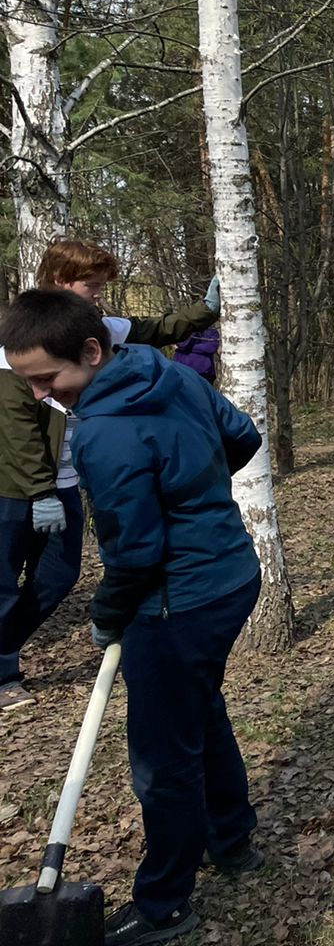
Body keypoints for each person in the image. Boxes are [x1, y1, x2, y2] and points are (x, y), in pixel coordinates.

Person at [0, 289, 263, 946]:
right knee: (199, 710)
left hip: (177, 600)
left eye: (47, 379)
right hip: (232, 576)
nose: (40, 395)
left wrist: (108, 612)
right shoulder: (168, 371)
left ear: (92, 351)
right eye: (28, 382)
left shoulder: (102, 433)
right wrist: (194, 492)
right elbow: (243, 436)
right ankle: (232, 841)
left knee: (163, 757)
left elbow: (137, 552)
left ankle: (165, 904)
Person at [0, 240, 218, 713]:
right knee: (3, 581)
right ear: (61, 280)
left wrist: (206, 310)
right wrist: (39, 491)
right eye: (91, 284)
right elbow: (18, 429)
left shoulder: (101, 330)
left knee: (58, 577)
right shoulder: (20, 342)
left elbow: (157, 329)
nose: (99, 293)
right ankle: (4, 672)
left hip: (63, 484)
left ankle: (2, 646)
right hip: (13, 489)